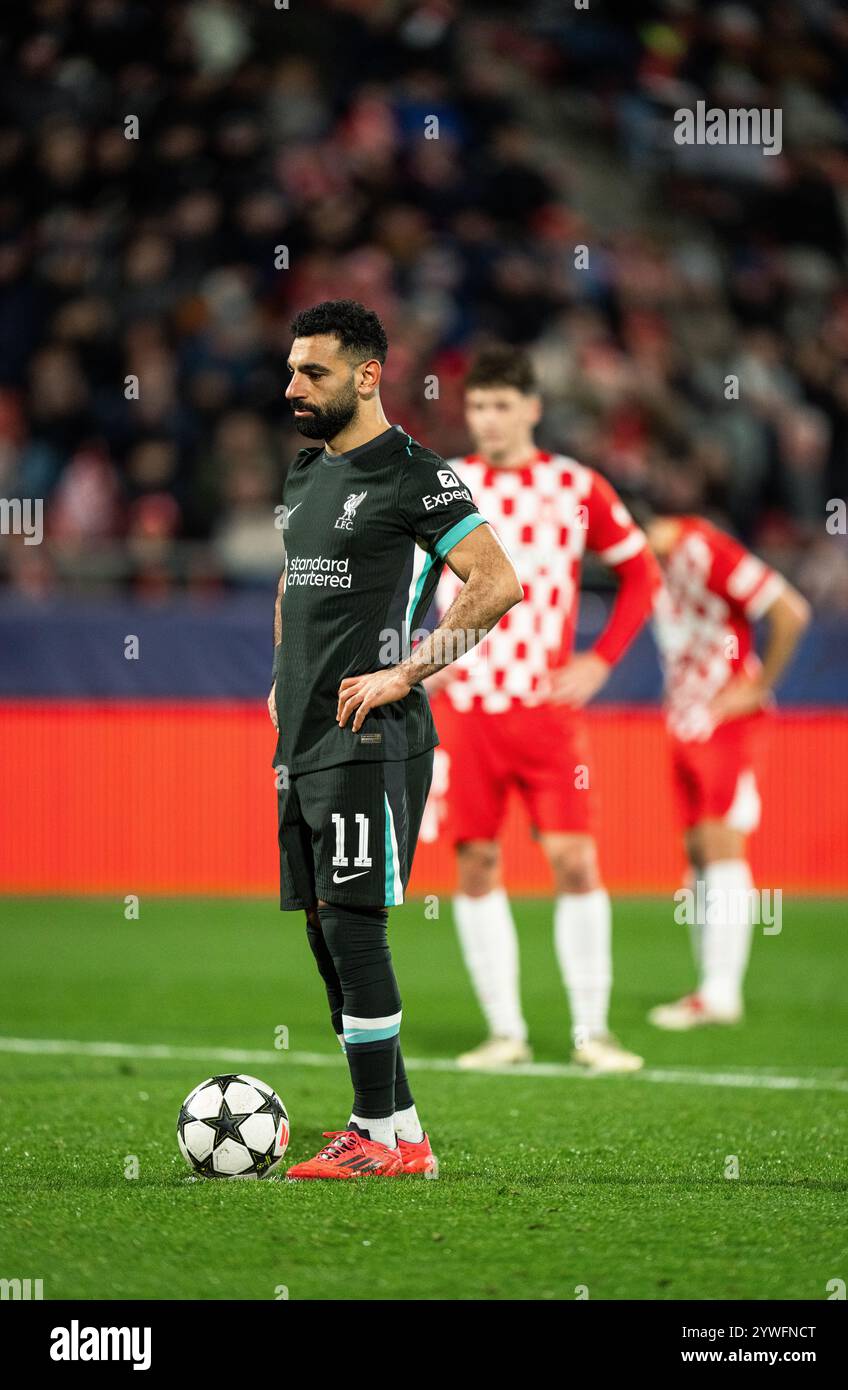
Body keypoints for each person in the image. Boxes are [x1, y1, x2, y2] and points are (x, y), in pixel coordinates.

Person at [267, 301, 523, 1178]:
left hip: (373, 737)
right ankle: (392, 1126)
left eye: (314, 372)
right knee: (320, 927)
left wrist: (405, 673)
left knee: (353, 923)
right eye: (293, 369)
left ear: (368, 376)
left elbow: (497, 584)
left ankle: (383, 1134)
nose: (293, 386)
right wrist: (278, 682)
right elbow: (291, 590)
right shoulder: (303, 476)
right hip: (301, 738)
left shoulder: (417, 474)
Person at [426, 346, 660, 1072]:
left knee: (574, 860)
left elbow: (641, 572)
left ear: (532, 408)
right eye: (476, 406)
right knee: (476, 863)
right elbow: (410, 578)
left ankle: (593, 1032)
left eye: (501, 405)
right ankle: (506, 1032)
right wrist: (417, 659)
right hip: (466, 706)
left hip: (544, 708)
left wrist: (601, 659)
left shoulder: (576, 485)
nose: (487, 419)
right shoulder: (447, 484)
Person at [644, 507, 811, 1029]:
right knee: (698, 849)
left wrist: (758, 689)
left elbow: (791, 610)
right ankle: (709, 985)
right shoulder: (660, 567)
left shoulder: (703, 548)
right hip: (688, 718)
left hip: (726, 719)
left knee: (720, 842)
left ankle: (720, 994)